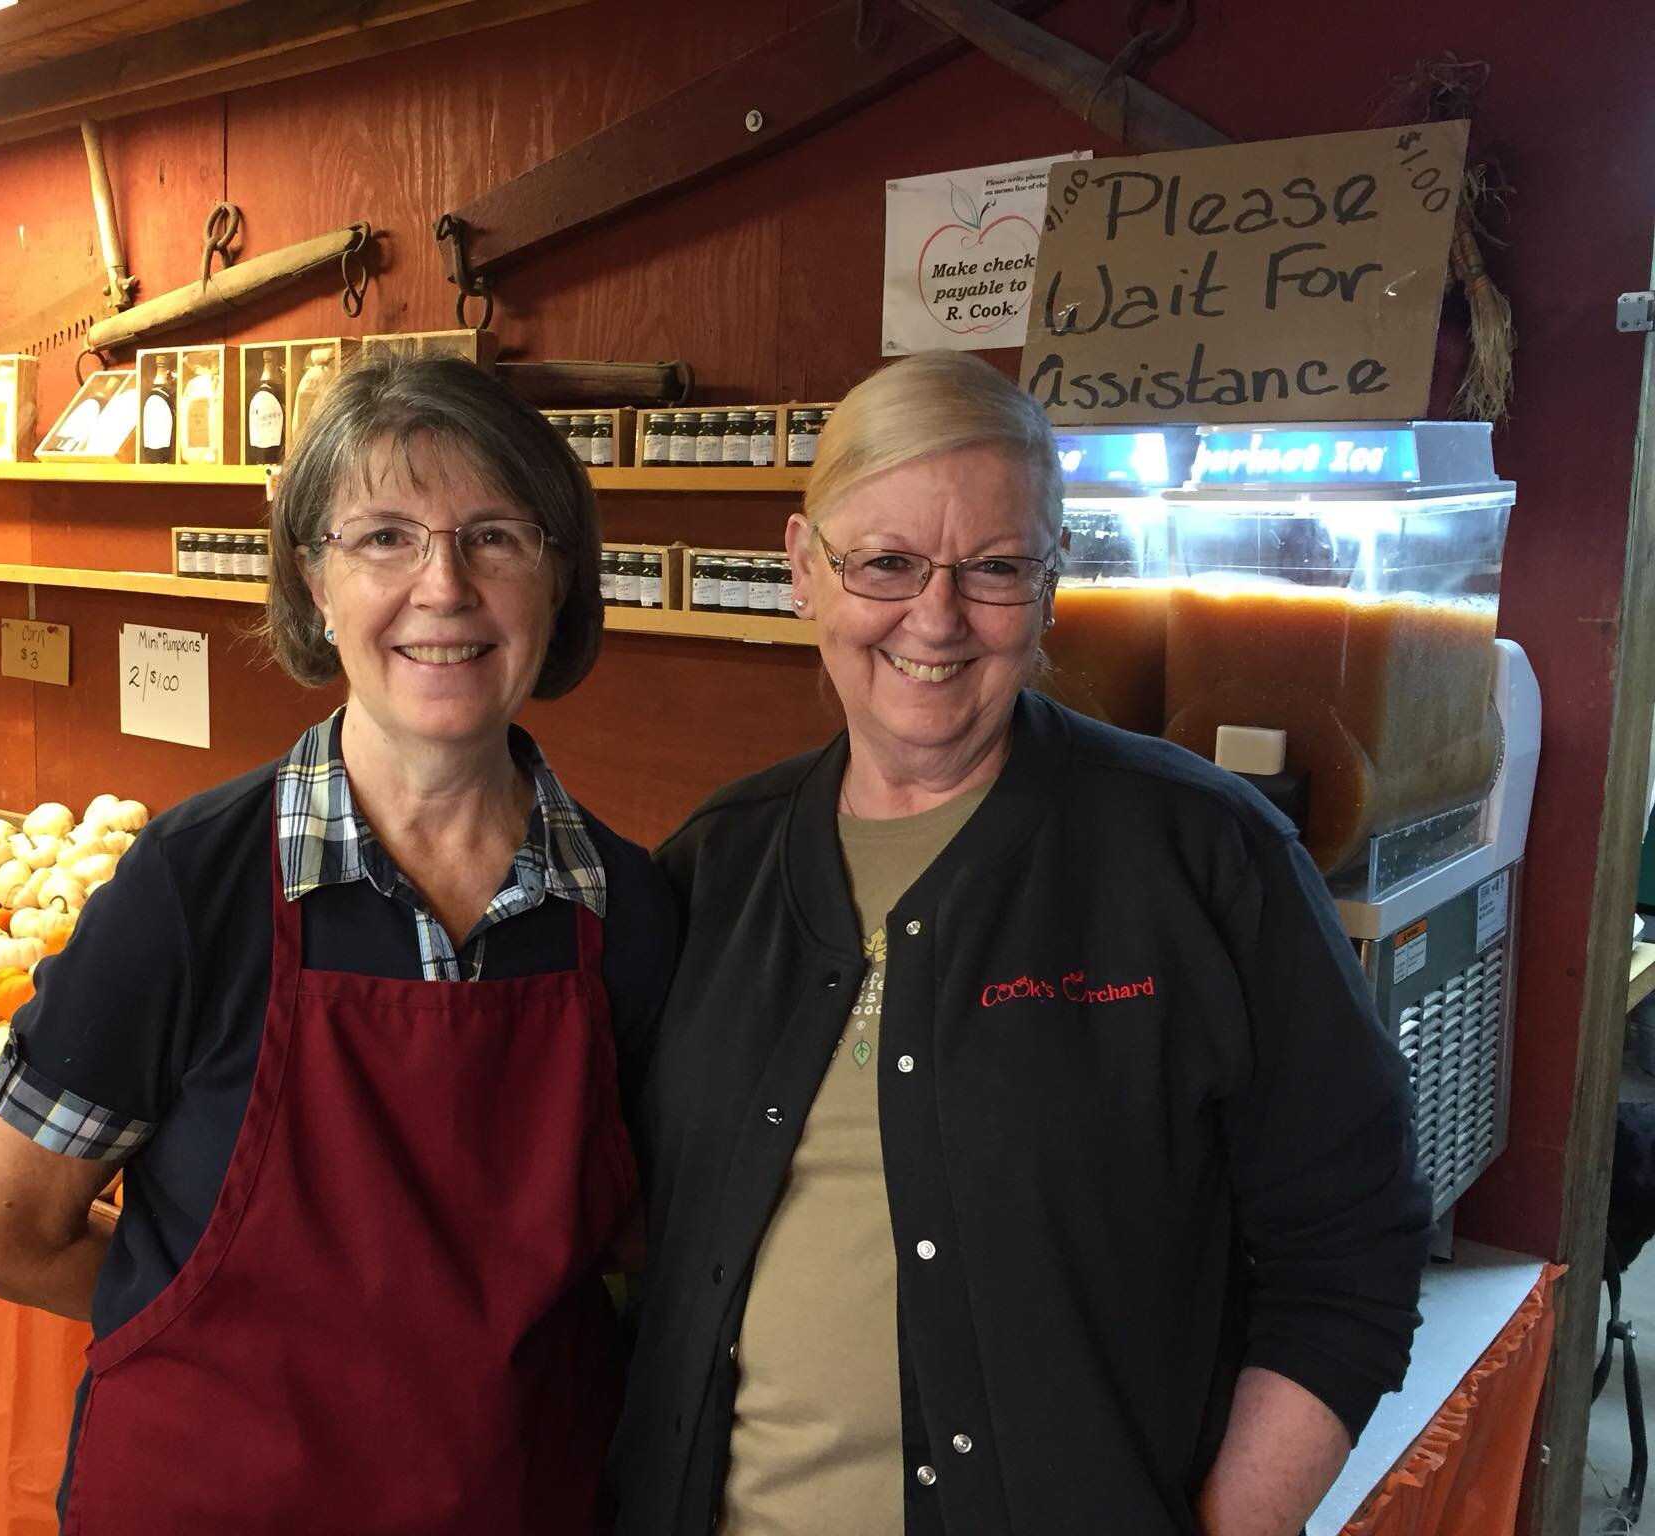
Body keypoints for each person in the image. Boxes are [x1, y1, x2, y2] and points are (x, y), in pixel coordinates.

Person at [611, 351, 1431, 1536]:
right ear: (803, 572)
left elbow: (1348, 1250)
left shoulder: (1202, 859)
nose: (933, 618)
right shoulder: (709, 866)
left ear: (1052, 584)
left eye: (992, 568)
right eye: (885, 563)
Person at [0, 353, 675, 1533]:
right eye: (383, 536)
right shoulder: (190, 890)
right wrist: (212, 1324)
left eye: (495, 536)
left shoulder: (629, 915)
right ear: (312, 582)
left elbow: (646, 1242)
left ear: (559, 580)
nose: (443, 587)